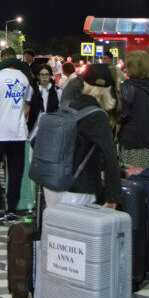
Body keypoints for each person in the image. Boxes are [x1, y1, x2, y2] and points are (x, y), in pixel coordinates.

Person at [44, 63, 122, 210]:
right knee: (77, 232)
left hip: (52, 185)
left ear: (84, 83)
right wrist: (113, 196)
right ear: (107, 90)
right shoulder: (97, 116)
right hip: (78, 188)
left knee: (55, 231)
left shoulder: (68, 107)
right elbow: (110, 157)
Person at [0, 47, 33, 223]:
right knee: (15, 172)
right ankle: (11, 209)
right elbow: (27, 105)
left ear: (3, 59)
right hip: (18, 133)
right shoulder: (24, 78)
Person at [117, 50, 149, 169]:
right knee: (148, 173)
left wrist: (114, 136)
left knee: (132, 176)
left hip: (132, 139)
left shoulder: (127, 87)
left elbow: (121, 116)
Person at [27, 64, 59, 131]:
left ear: (50, 76)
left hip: (52, 128)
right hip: (34, 129)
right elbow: (27, 108)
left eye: (47, 74)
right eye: (42, 74)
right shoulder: (32, 90)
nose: (44, 77)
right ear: (38, 76)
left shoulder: (58, 91)